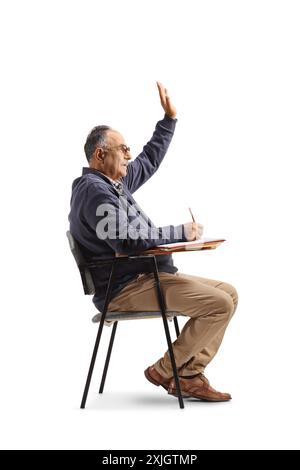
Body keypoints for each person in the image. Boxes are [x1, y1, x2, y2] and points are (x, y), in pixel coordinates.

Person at [69, 82, 238, 402]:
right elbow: (127, 243)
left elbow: (149, 160)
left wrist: (169, 119)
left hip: (146, 278)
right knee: (220, 304)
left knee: (229, 293)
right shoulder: (94, 192)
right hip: (125, 288)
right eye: (123, 150)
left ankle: (187, 374)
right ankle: (166, 369)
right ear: (100, 154)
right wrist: (179, 233)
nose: (129, 156)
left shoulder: (113, 183)